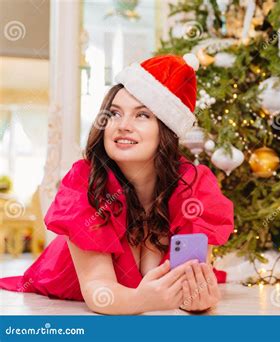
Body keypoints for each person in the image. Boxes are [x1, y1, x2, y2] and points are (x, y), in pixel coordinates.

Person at [0, 55, 234, 315]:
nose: (123, 126)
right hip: (67, 282)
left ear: (166, 129)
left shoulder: (193, 185)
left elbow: (189, 288)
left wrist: (198, 302)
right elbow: (99, 291)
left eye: (142, 115)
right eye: (114, 114)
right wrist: (143, 301)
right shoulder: (84, 183)